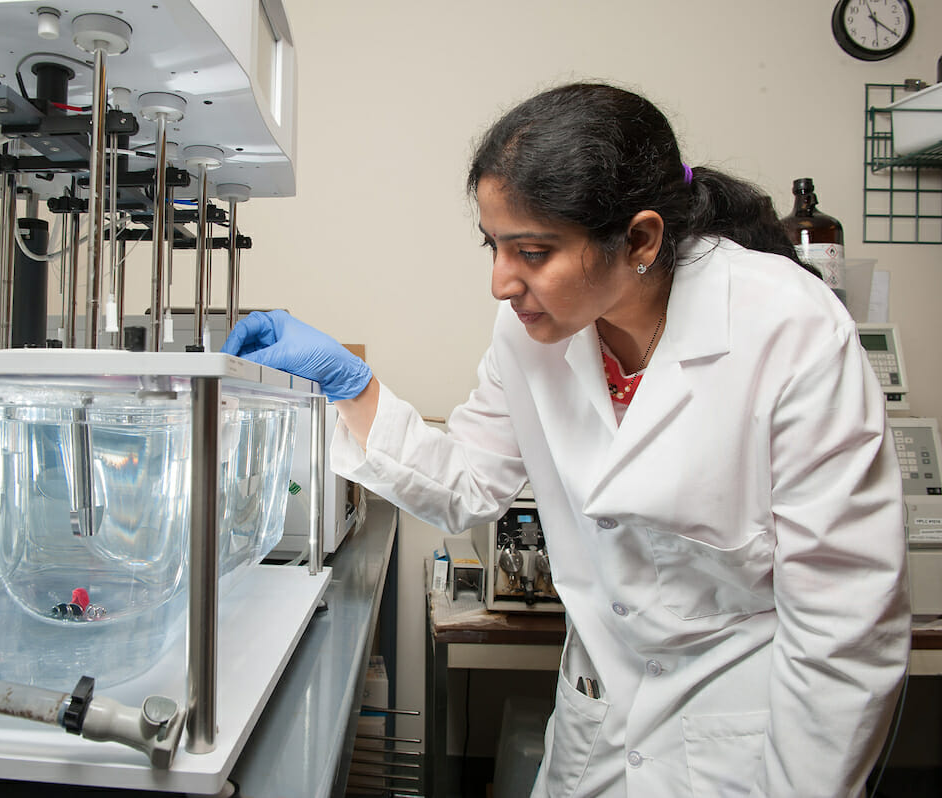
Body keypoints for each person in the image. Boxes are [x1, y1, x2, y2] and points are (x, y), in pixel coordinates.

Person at [222, 83, 910, 797]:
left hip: (743, 739)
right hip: (598, 724)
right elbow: (468, 485)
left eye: (532, 250)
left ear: (639, 240)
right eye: (492, 245)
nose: (500, 282)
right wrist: (353, 386)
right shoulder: (530, 336)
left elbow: (844, 624)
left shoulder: (790, 328)